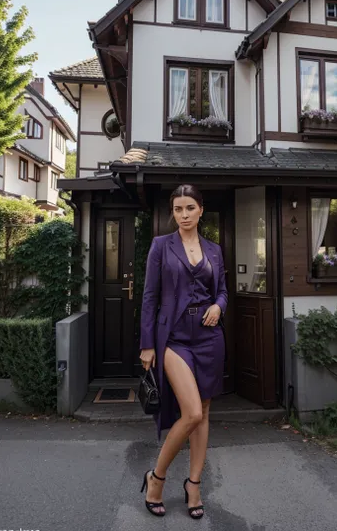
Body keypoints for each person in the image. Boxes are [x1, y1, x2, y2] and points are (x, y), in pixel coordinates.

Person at [139, 184, 228, 519]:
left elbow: (222, 291)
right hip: (173, 339)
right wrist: (147, 344)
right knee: (191, 413)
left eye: (190, 208)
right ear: (172, 212)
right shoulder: (161, 246)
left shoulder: (215, 250)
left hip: (208, 338)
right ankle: (156, 478)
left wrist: (219, 306)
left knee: (203, 413)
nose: (184, 215)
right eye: (178, 209)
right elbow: (149, 297)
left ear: (201, 210)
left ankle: (194, 484)